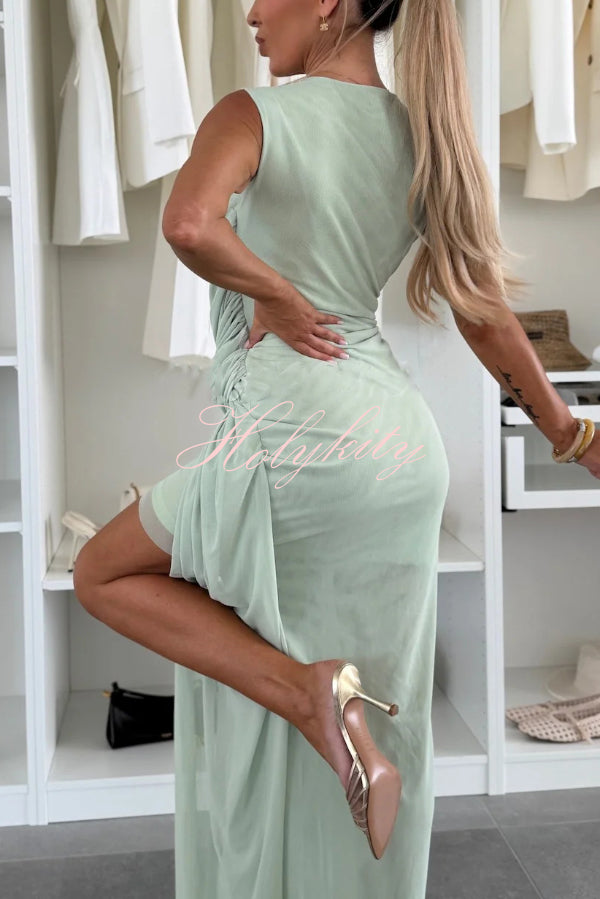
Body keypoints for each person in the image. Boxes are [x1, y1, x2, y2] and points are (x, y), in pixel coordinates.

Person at [73, 1, 600, 897]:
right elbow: (484, 313)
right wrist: (573, 432)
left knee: (101, 572)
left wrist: (277, 292)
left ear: (328, 4)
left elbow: (190, 224)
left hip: (291, 443)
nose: (249, 12)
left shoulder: (250, 112)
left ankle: (306, 694)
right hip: (397, 450)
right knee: (383, 704)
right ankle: (330, 714)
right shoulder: (425, 136)